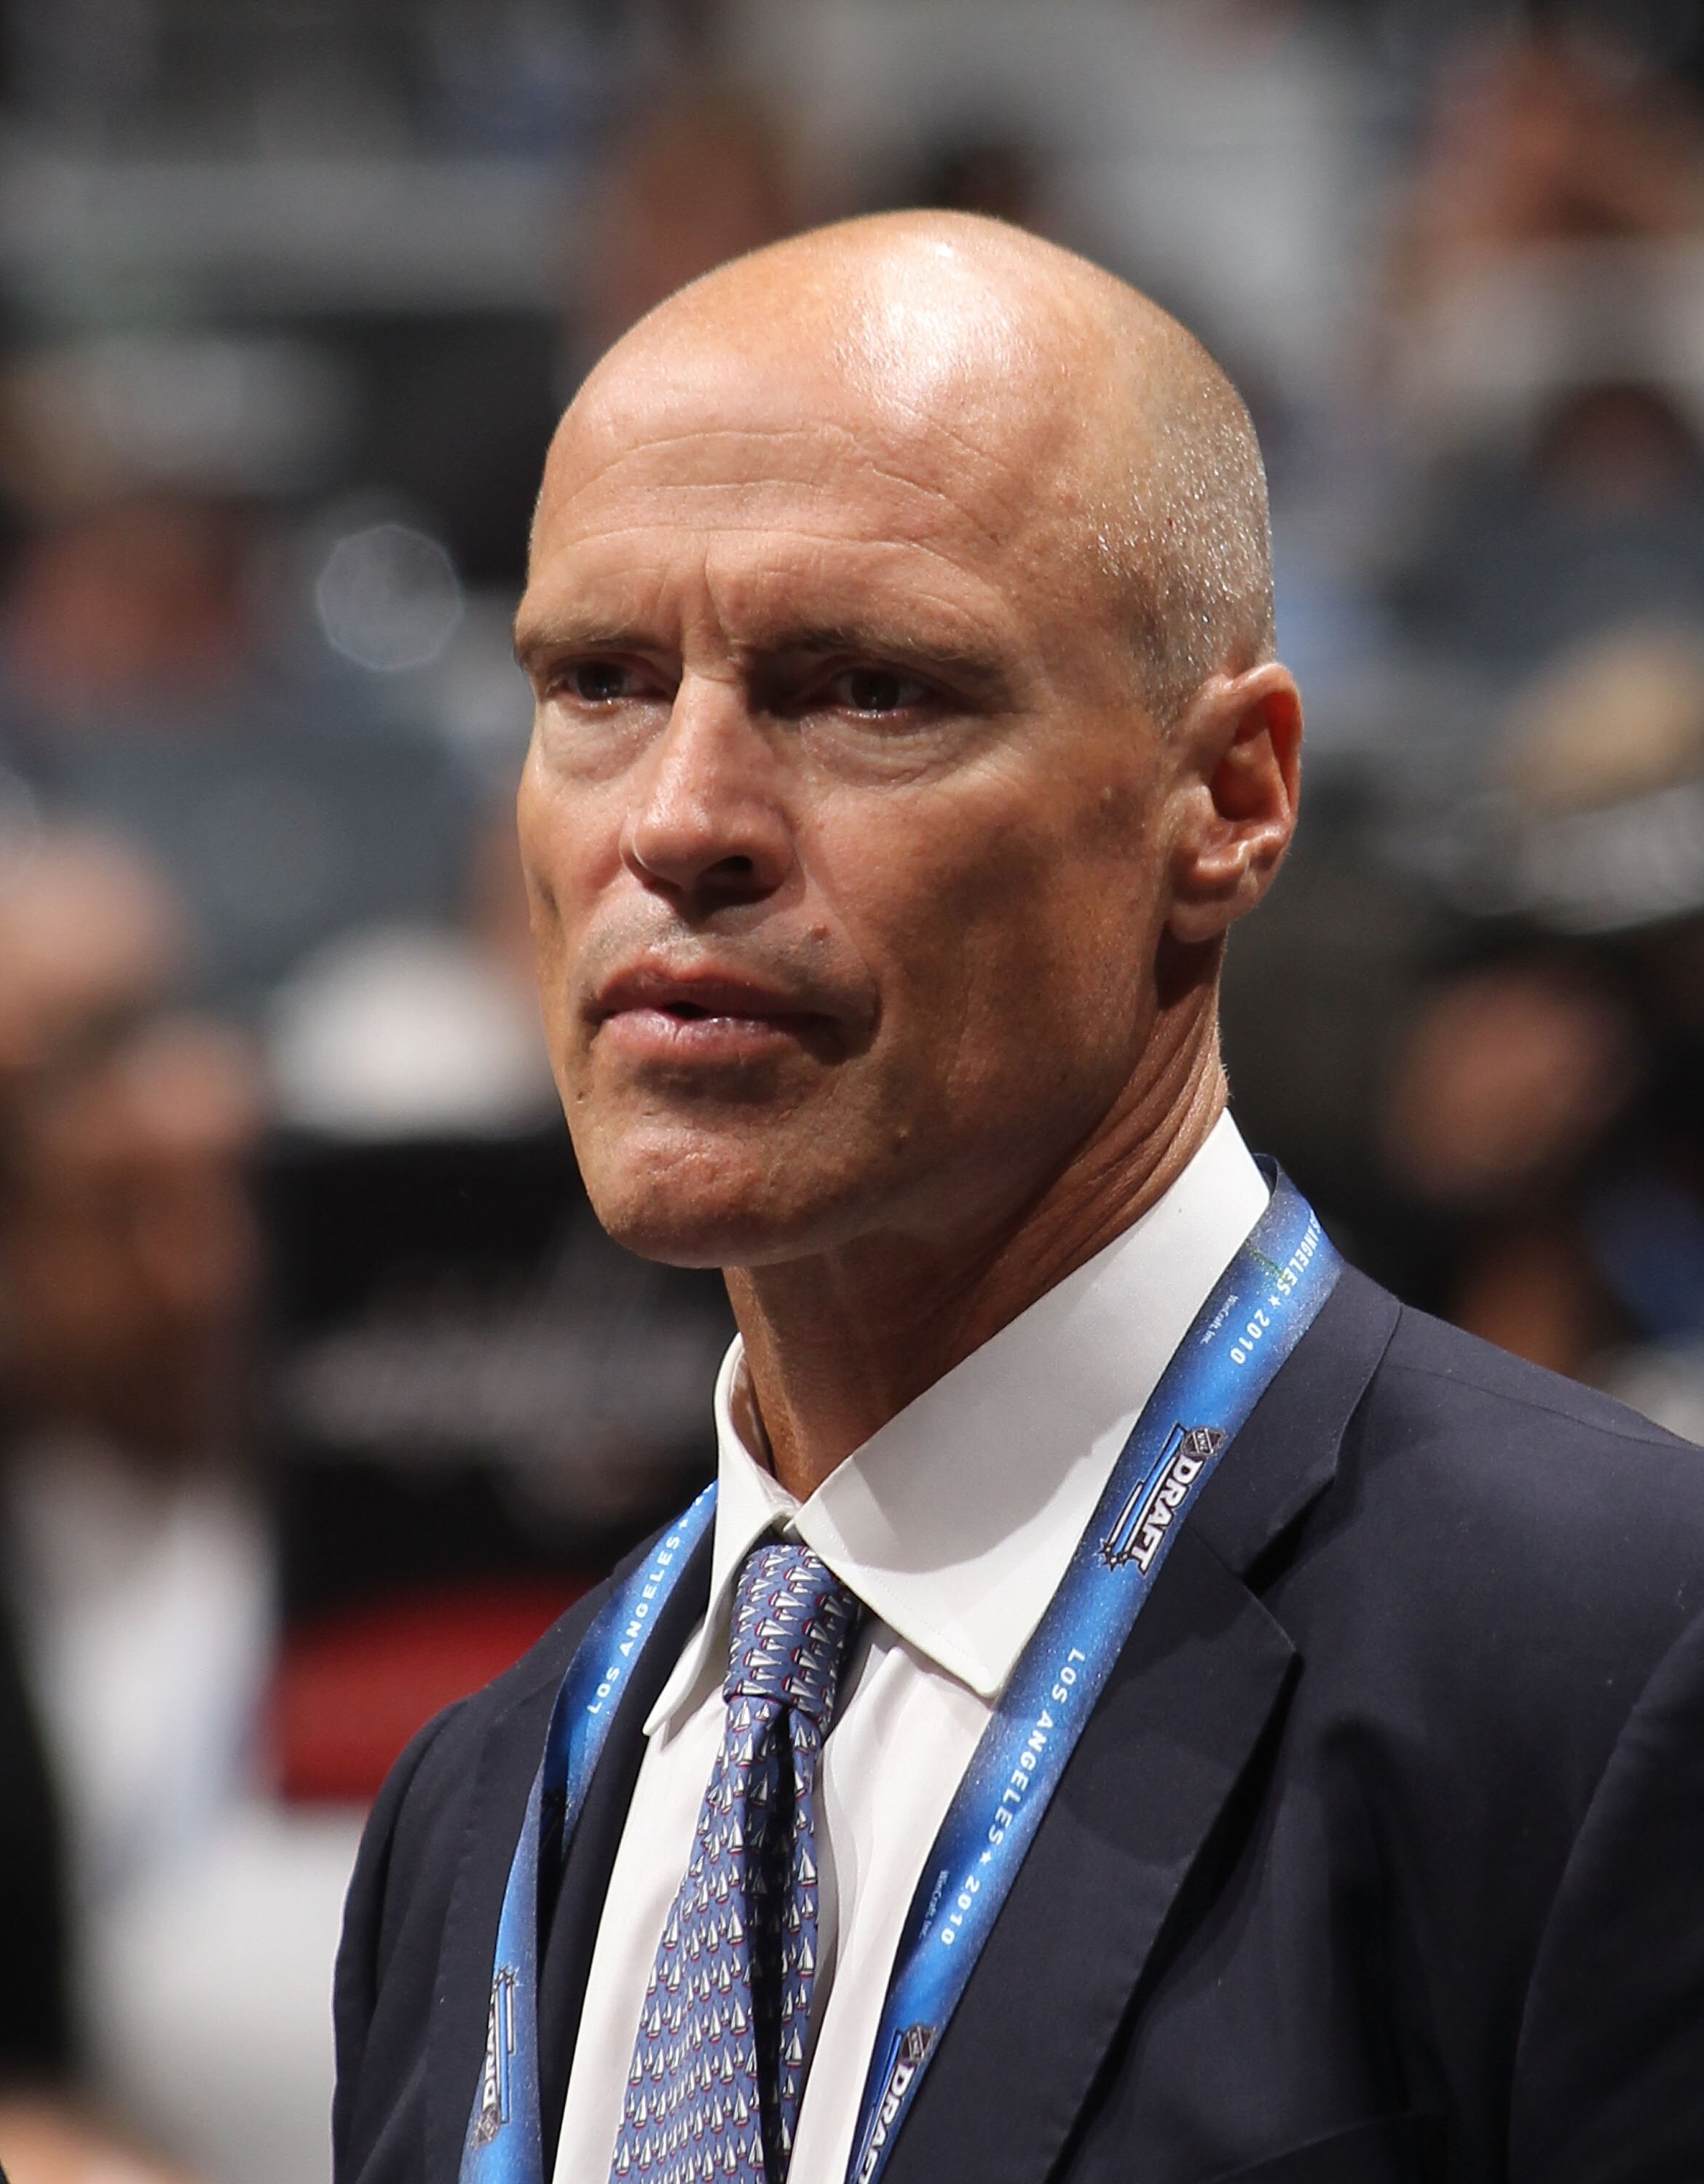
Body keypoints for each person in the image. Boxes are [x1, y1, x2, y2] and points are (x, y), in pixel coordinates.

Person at [331, 213, 1704, 2184]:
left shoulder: (1620, 1660)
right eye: (601, 681)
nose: (679, 821)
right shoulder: (475, 1808)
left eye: (867, 688)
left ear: (1224, 798)